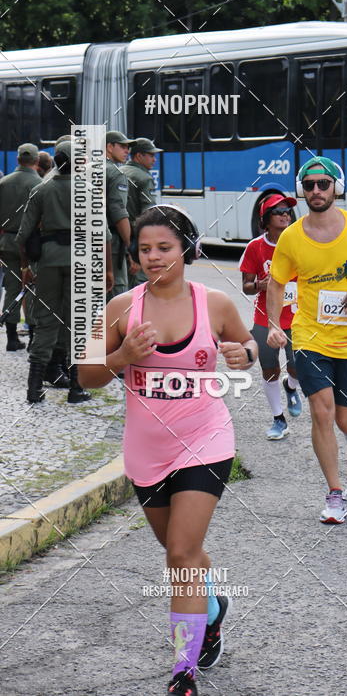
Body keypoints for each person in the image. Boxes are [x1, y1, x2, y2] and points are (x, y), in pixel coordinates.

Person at [78, 205, 257, 696]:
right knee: (182, 551)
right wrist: (122, 356)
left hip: (206, 439)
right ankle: (212, 610)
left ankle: (184, 672)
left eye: (164, 247)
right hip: (146, 450)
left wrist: (244, 354)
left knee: (180, 552)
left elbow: (248, 346)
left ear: (186, 250)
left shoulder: (215, 303)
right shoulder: (119, 308)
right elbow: (85, 375)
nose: (154, 257)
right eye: (144, 250)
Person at [267, 157, 347, 524]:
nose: (316, 190)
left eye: (323, 184)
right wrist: (274, 325)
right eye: (309, 185)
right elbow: (276, 282)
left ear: (337, 187)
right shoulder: (291, 237)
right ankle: (335, 493)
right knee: (321, 411)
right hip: (310, 337)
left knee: (346, 423)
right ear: (301, 190)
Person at [16, 141, 93, 404]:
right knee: (77, 322)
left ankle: (34, 389)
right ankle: (76, 389)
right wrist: (105, 270)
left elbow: (23, 235)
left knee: (46, 321)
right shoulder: (89, 190)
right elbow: (103, 235)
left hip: (48, 261)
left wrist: (26, 267)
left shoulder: (41, 189)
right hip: (80, 261)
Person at [239, 194, 301, 440]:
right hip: (265, 318)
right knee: (269, 369)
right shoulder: (255, 247)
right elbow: (246, 286)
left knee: (298, 367)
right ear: (266, 219)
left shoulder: (300, 242)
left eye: (287, 210)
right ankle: (278, 419)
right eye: (278, 211)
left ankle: (291, 386)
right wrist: (261, 285)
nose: (285, 214)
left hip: (296, 317)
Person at [0, 143, 42, 351]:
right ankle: (33, 337)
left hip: (7, 241)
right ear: (36, 161)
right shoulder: (40, 184)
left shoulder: (3, 183)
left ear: (18, 159)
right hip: (31, 243)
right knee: (32, 288)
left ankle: (11, 337)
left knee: (12, 286)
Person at [122, 137, 162, 287]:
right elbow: (148, 215)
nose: (154, 160)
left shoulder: (120, 171)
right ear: (139, 156)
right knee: (140, 285)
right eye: (151, 155)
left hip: (118, 237)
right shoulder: (144, 178)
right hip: (135, 237)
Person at [105, 130, 133, 300]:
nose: (127, 151)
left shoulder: (86, 169)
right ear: (109, 147)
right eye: (122, 146)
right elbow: (118, 213)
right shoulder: (115, 173)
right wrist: (131, 246)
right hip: (112, 245)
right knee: (117, 293)